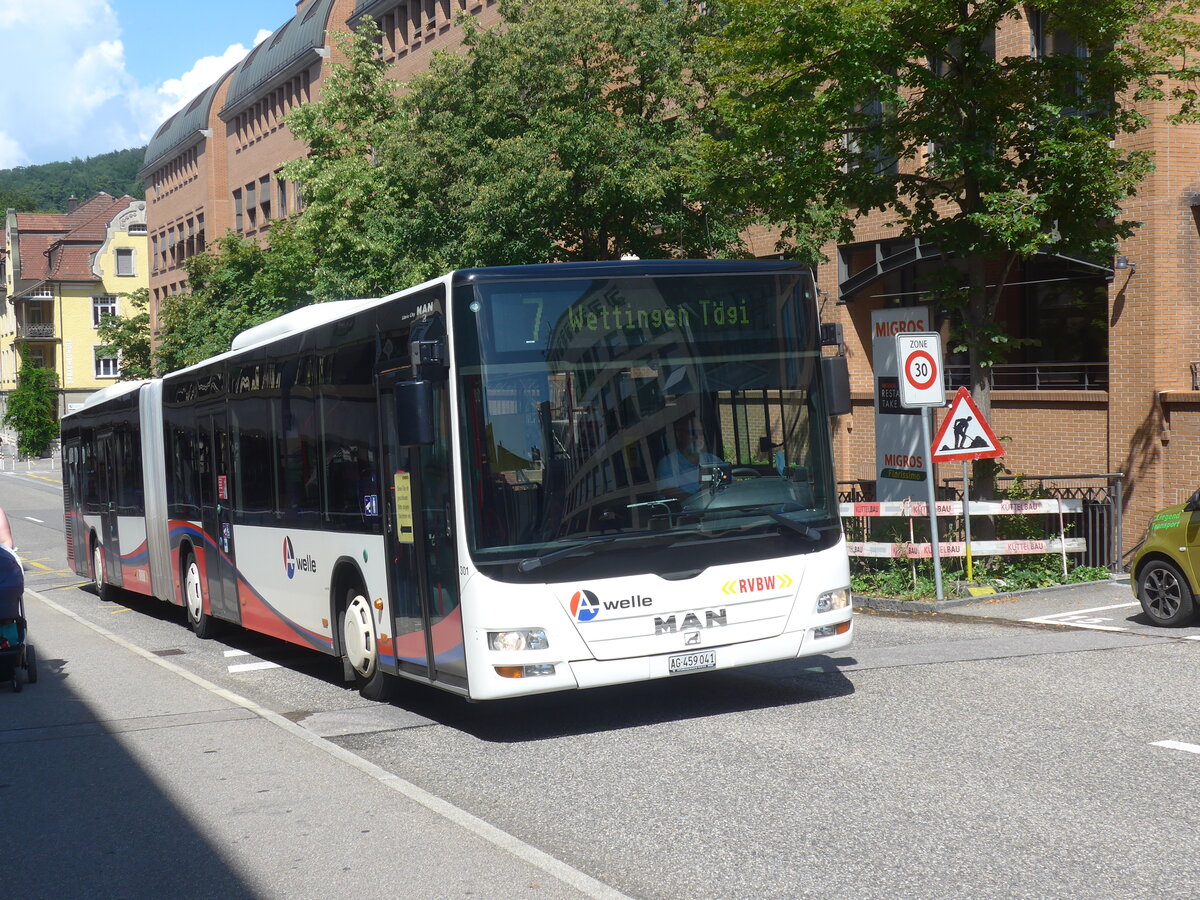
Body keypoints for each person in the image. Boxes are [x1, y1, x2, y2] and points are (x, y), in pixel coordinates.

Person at [656, 415, 723, 497]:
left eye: (700, 433)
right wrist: (704, 492)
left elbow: (731, 484)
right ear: (679, 435)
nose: (697, 437)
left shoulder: (713, 460)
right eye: (693, 433)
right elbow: (673, 496)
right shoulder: (667, 464)